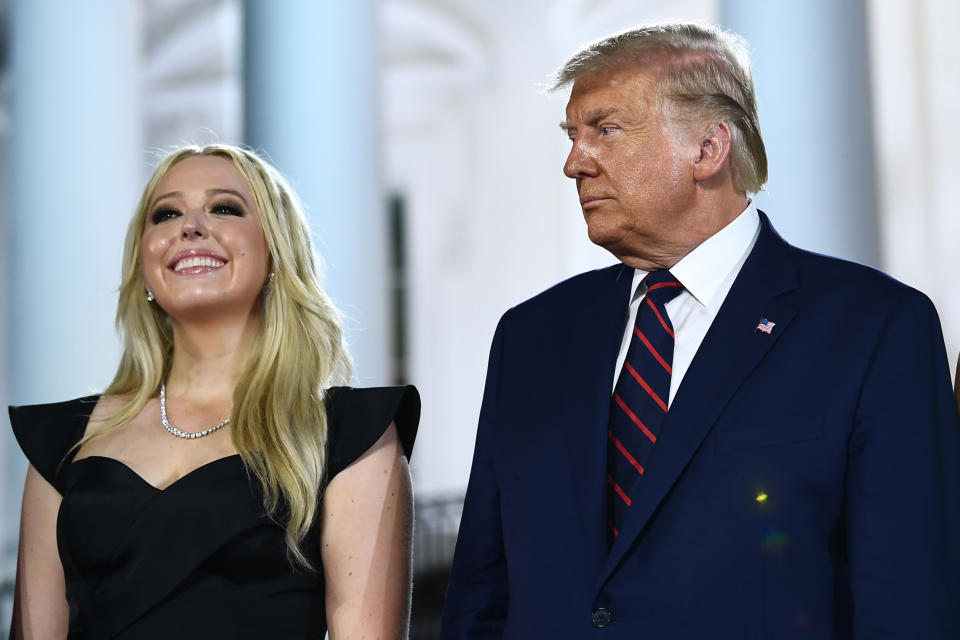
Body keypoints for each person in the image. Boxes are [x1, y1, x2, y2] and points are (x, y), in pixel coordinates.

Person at [441, 23, 960, 638]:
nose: (574, 163)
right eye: (573, 135)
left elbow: (907, 601)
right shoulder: (530, 338)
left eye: (605, 130)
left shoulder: (874, 328)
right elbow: (481, 594)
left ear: (709, 149)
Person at [9, 144, 419, 638]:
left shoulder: (354, 433)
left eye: (224, 207)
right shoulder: (60, 439)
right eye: (166, 214)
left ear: (275, 252)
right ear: (143, 264)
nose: (190, 226)